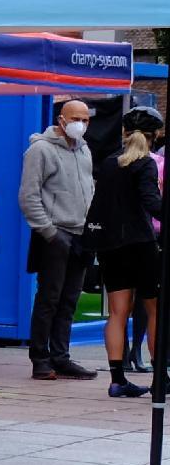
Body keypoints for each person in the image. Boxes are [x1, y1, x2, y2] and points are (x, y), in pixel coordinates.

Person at [21, 96, 98, 381]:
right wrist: (50, 232)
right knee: (48, 298)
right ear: (61, 120)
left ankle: (61, 356)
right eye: (76, 119)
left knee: (69, 300)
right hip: (54, 233)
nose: (81, 124)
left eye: (86, 120)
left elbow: (89, 188)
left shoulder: (84, 149)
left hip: (81, 234)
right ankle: (40, 358)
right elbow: (28, 196)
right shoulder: (40, 150)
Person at [93, 107, 163, 397]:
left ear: (124, 132)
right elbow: (151, 202)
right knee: (154, 308)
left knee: (118, 312)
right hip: (141, 245)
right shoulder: (145, 163)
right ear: (155, 135)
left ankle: (117, 379)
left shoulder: (110, 162)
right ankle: (161, 377)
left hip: (110, 245)